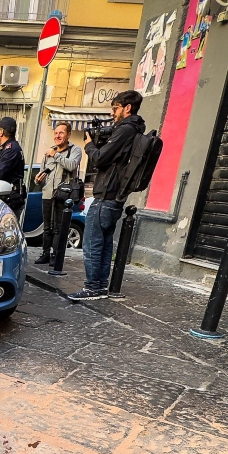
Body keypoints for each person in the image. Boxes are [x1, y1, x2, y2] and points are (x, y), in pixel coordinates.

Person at [68, 90, 144, 301]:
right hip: (115, 195)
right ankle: (100, 286)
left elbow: (100, 159)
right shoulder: (134, 130)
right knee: (104, 243)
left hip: (106, 195)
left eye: (115, 108)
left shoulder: (125, 130)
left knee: (93, 244)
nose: (113, 113)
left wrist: (89, 146)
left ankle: (93, 287)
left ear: (127, 108)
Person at [33, 122, 81, 266]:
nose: (57, 136)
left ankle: (56, 256)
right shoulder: (48, 153)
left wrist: (57, 155)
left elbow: (72, 165)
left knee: (59, 228)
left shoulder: (75, 150)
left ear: (68, 135)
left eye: (61, 133)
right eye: (55, 133)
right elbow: (41, 174)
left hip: (64, 195)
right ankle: (45, 254)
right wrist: (37, 180)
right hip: (48, 194)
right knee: (47, 227)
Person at [0, 116, 26, 216]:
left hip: (11, 199)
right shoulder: (8, 148)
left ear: (1, 132)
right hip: (9, 197)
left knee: (7, 230)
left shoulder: (10, 149)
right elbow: (3, 171)